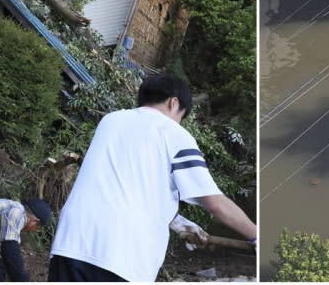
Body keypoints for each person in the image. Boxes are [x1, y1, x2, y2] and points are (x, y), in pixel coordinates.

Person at [49, 74, 257, 282]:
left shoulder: (111, 121)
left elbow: (128, 184)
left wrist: (176, 221)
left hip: (71, 244)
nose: (179, 123)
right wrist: (257, 235)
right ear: (173, 102)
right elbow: (215, 203)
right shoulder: (175, 134)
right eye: (181, 116)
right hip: (121, 256)